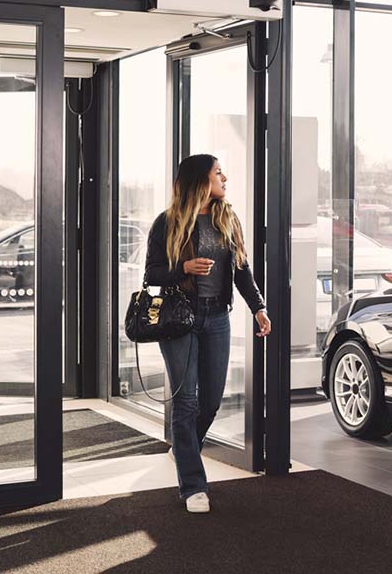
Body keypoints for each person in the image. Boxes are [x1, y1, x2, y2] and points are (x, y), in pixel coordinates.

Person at [144, 153, 271, 514]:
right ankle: (193, 486)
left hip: (217, 318)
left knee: (211, 401)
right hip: (180, 320)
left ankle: (184, 448)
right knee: (185, 401)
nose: (225, 178)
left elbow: (243, 272)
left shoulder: (227, 219)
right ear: (201, 180)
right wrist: (183, 267)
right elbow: (152, 273)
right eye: (218, 172)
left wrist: (258, 307)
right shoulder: (167, 223)